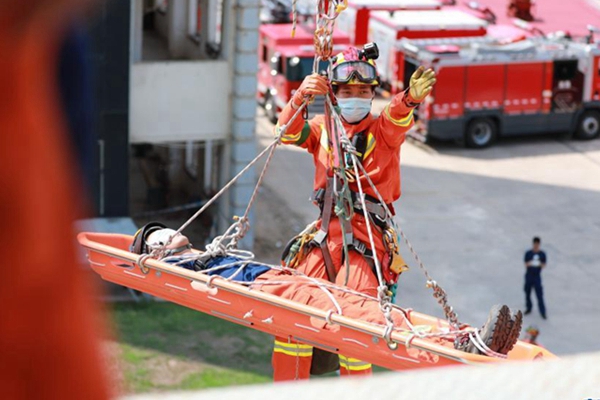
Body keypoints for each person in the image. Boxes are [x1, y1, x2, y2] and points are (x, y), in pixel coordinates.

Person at [270, 44, 522, 381]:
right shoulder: (322, 130)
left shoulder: (380, 133)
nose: (354, 97)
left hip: (365, 239)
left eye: (362, 91)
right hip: (324, 235)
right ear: (334, 93)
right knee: (291, 302)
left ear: (372, 95)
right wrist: (300, 97)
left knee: (358, 317)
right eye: (347, 91)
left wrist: (410, 99)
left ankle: (457, 344)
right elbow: (284, 133)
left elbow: (396, 118)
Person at [524, 236, 547, 319]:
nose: (536, 245)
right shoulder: (528, 253)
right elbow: (526, 264)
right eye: (535, 244)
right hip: (529, 275)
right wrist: (531, 263)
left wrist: (538, 263)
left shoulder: (542, 254)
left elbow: (544, 264)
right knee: (527, 293)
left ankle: (542, 312)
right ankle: (529, 308)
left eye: (537, 244)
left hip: (537, 276)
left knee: (539, 294)